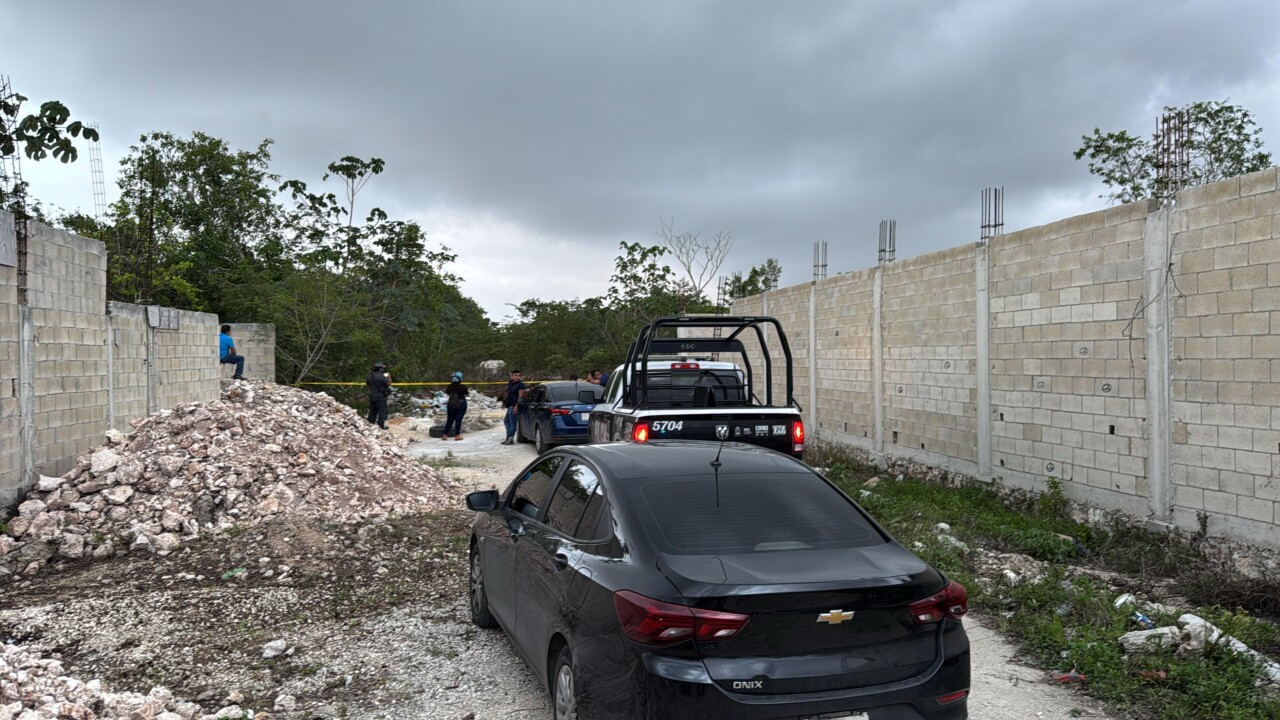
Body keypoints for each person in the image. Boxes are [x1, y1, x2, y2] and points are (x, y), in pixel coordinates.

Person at [500, 369, 526, 445]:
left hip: (514, 406)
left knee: (512, 422)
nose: (517, 377)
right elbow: (508, 394)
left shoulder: (521, 385)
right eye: (515, 375)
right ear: (512, 376)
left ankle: (510, 436)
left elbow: (521, 397)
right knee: (506, 421)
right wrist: (504, 403)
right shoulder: (510, 383)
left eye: (519, 376)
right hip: (510, 405)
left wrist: (516, 406)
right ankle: (509, 437)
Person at [444, 371, 469, 441]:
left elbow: (448, 393)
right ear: (460, 378)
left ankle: (445, 435)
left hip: (451, 403)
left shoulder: (449, 386)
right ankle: (457, 435)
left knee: (449, 419)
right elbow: (466, 393)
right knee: (458, 419)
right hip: (461, 403)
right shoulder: (463, 387)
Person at [366, 362, 392, 429]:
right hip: (380, 396)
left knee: (372, 411)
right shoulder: (381, 376)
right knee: (382, 411)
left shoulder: (370, 376)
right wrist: (389, 376)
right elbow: (389, 383)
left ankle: (370, 424)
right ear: (380, 369)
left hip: (372, 395)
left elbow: (368, 385)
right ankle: (381, 425)